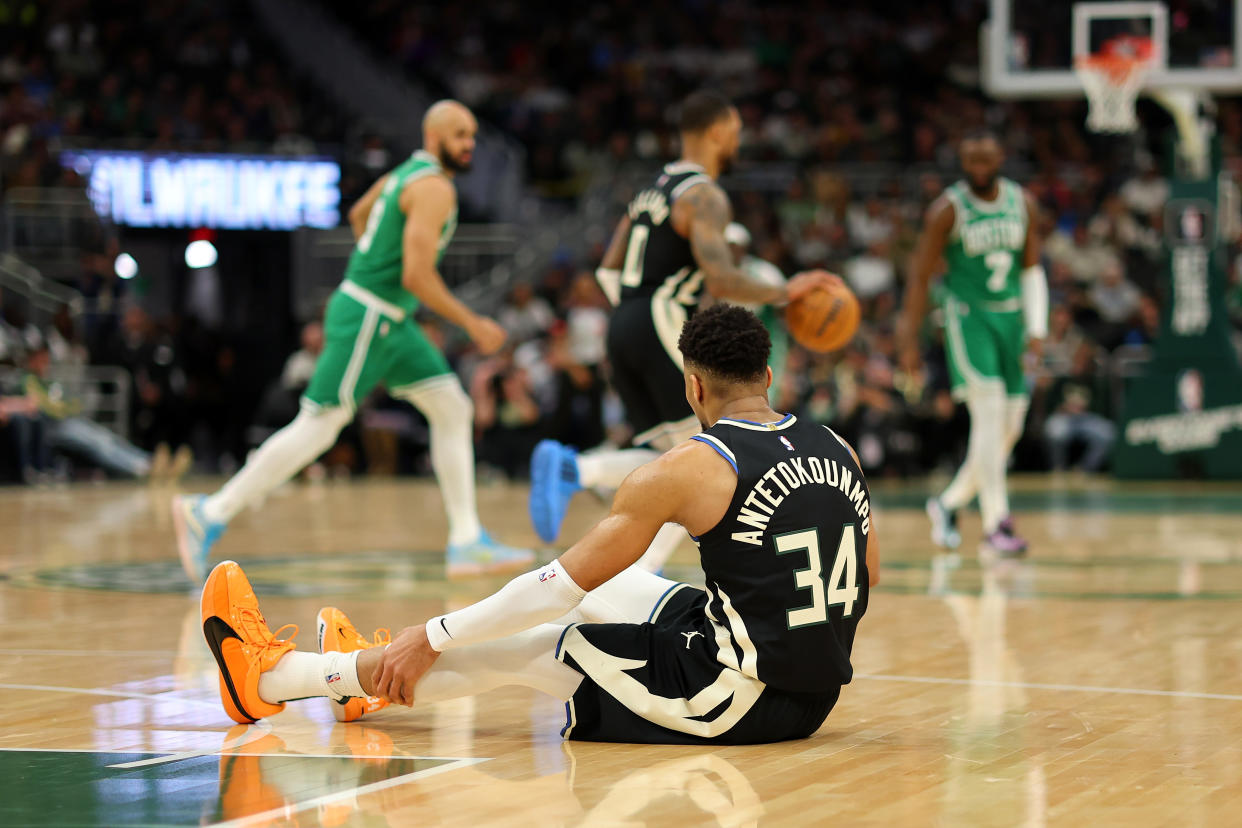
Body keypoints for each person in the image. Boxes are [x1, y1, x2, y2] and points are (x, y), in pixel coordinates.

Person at [200, 305, 879, 744]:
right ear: (767, 372)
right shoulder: (837, 447)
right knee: (618, 588)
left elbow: (555, 587)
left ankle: (274, 679)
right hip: (813, 696)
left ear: (693, 387)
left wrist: (431, 635)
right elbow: (866, 581)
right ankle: (371, 682)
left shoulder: (690, 467)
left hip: (734, 700)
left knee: (546, 641)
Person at [172, 100, 532, 582]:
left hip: (390, 318)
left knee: (452, 408)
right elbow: (417, 275)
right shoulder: (434, 189)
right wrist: (473, 323)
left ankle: (466, 541)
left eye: (472, 135)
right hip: (370, 315)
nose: (469, 144)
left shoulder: (401, 176)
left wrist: (375, 254)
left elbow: (360, 213)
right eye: (459, 135)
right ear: (434, 137)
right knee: (320, 425)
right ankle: (210, 512)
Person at [529, 89, 833, 572]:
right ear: (717, 131)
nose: (737, 142)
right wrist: (787, 290)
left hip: (624, 322)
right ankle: (630, 581)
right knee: (704, 461)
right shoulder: (705, 194)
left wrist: (633, 321)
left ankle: (577, 471)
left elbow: (609, 268)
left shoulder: (652, 189)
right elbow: (722, 279)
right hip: (660, 319)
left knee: (664, 457)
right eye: (735, 132)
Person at [898, 129, 1047, 556]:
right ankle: (997, 523)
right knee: (989, 416)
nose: (979, 167)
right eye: (971, 160)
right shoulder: (947, 210)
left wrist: (1036, 329)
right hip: (968, 317)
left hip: (1013, 318)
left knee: (1010, 426)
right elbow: (921, 276)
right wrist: (909, 339)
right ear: (962, 163)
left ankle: (947, 504)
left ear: (1001, 157)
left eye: (986, 159)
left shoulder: (1024, 204)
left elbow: (1033, 270)